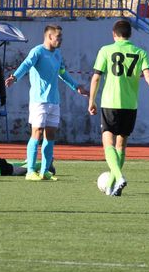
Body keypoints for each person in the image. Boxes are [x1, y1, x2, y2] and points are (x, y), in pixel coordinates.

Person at [87, 19, 149, 196]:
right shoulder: (140, 52)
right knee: (121, 146)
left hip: (110, 103)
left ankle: (118, 176)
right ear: (130, 34)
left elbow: (96, 77)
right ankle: (112, 186)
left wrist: (91, 100)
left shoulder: (106, 50)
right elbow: (148, 76)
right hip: (130, 105)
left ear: (114, 34)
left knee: (108, 142)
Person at [5, 24, 88, 181]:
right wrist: (15, 77)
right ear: (49, 37)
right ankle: (30, 171)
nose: (61, 40)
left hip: (53, 101)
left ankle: (44, 171)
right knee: (37, 133)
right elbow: (26, 65)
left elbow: (62, 73)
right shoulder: (37, 51)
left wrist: (76, 87)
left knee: (50, 136)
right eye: (58, 37)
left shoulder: (57, 53)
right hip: (39, 101)